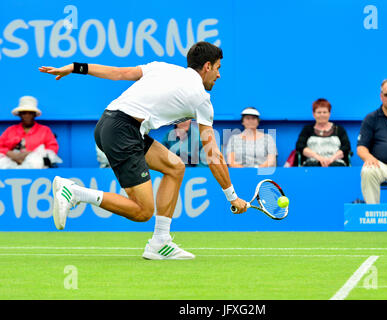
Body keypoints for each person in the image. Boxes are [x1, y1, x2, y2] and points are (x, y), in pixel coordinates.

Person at [39, 41, 247, 260]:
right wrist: (232, 197)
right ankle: (75, 192)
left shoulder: (163, 67)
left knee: (175, 167)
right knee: (142, 211)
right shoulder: (201, 99)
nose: (219, 75)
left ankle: (160, 242)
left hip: (108, 124)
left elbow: (119, 73)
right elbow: (213, 153)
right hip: (122, 131)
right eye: (218, 68)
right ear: (207, 66)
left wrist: (76, 67)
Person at [0, 96, 61, 169]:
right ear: (19, 114)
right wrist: (11, 154)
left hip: (35, 167)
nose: (27, 116)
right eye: (24, 113)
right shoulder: (10, 130)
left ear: (35, 114)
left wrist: (31, 154)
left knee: (36, 162)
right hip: (11, 164)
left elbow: (52, 149)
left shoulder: (44, 130)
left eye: (30, 113)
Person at [293, 98, 351, 167]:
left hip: (335, 162)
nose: (322, 115)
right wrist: (319, 158)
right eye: (319, 112)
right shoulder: (307, 129)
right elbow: (300, 146)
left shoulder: (339, 130)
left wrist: (331, 159)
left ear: (329, 113)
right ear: (313, 114)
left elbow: (346, 147)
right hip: (312, 163)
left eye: (324, 112)